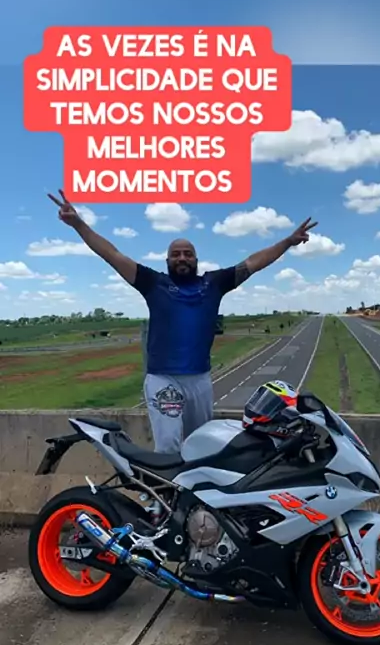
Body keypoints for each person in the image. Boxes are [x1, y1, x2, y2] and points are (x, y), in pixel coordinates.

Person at [48, 189, 317, 454]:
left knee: (202, 445)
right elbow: (113, 254)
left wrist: (287, 242)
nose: (182, 258)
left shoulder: (214, 283)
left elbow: (253, 263)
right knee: (168, 445)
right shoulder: (153, 283)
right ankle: (163, 484)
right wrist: (79, 224)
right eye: (176, 254)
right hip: (163, 379)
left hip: (200, 379)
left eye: (187, 253)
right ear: (167, 260)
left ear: (196, 259)